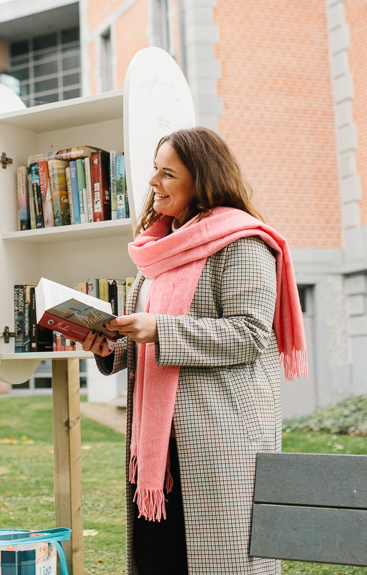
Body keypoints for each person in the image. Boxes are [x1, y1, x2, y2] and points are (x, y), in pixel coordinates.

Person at [81, 127, 306, 575]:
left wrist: (159, 330)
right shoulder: (158, 252)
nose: (153, 183)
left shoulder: (244, 243)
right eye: (154, 170)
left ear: (202, 181)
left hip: (221, 439)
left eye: (168, 174)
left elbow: (250, 333)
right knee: (159, 558)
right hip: (159, 445)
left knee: (218, 560)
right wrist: (108, 344)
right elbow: (145, 340)